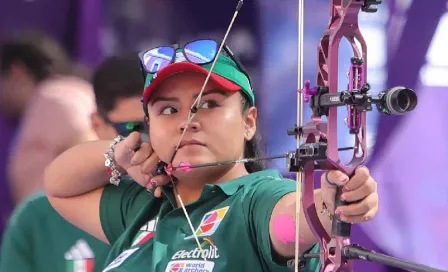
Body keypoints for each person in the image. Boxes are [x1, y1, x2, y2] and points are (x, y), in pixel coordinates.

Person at [44, 40, 379, 271]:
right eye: (168, 110)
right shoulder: (145, 206)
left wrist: (328, 205)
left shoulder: (257, 200)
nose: (187, 121)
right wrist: (118, 155)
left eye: (208, 104)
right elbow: (58, 185)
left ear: (249, 122)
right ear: (151, 127)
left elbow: (291, 223)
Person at [0, 53, 147, 272]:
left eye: (165, 118)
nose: (145, 142)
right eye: (130, 128)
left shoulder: (198, 202)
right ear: (96, 124)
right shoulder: (38, 216)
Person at [0, 30, 96, 204]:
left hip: (64, 226)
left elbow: (91, 152)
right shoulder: (64, 94)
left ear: (15, 72)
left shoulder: (54, 98)